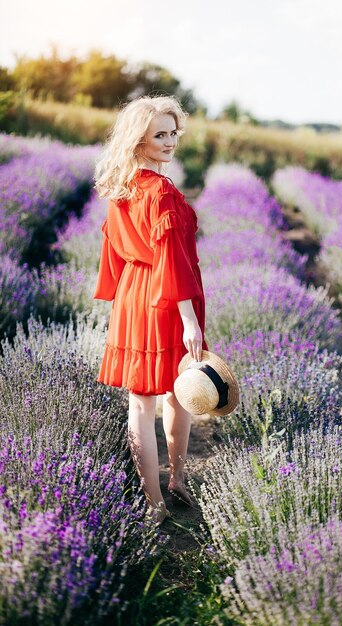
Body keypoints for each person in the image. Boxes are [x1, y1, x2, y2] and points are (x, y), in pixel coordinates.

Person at [92, 95, 208, 523]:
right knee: (181, 391)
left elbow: (113, 253)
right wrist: (190, 321)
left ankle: (154, 502)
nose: (170, 141)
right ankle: (175, 483)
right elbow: (172, 260)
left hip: (133, 297)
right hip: (167, 298)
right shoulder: (159, 190)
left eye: (173, 132)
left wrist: (120, 298)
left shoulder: (120, 186)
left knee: (140, 403)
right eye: (159, 134)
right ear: (138, 140)